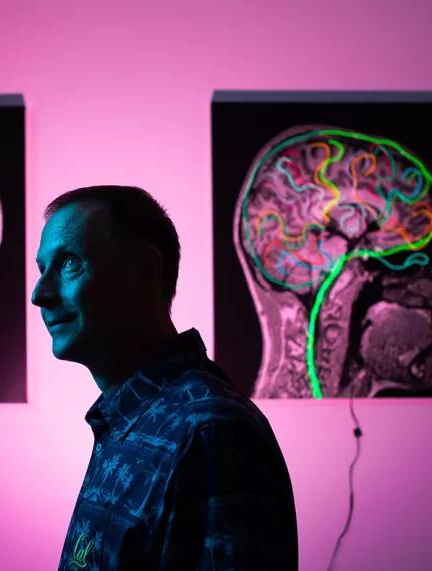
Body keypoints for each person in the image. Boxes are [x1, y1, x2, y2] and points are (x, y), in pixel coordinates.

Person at [31, 185, 297, 570]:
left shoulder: (209, 432)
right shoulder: (129, 419)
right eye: (43, 269)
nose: (40, 293)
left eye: (70, 262)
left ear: (146, 272)